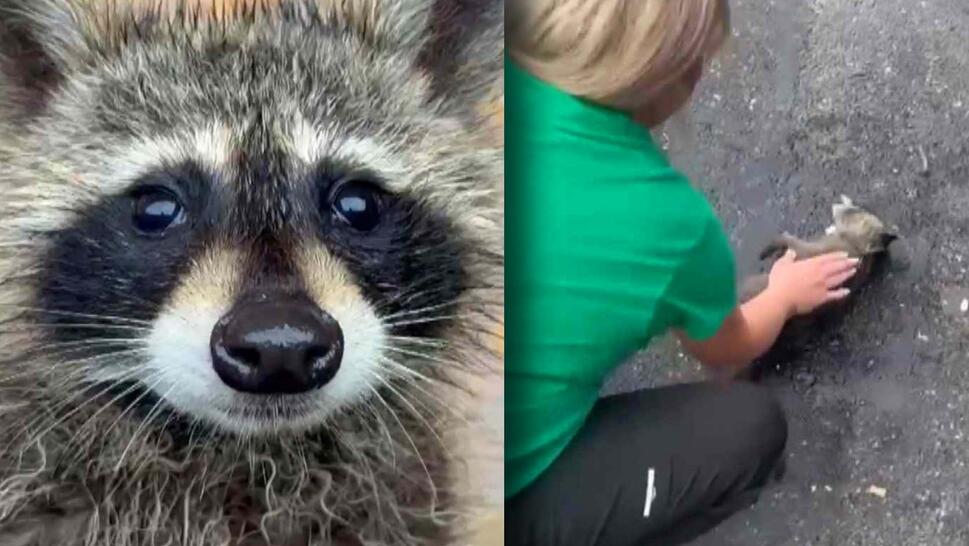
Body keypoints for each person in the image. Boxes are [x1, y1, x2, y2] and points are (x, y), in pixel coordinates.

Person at [504, 1, 860, 544]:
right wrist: (785, 295)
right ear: (671, 79)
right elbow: (728, 349)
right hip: (485, 503)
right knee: (751, 429)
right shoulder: (668, 222)